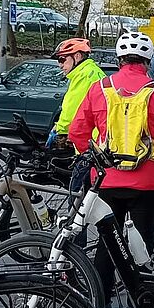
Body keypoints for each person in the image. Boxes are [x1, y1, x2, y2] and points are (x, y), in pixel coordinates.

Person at [69, 32, 154, 308]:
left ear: (119, 59)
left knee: (107, 245)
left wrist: (93, 157)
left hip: (105, 181)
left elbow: (77, 131)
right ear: (148, 61)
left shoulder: (100, 88)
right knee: (142, 244)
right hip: (147, 182)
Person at [47, 39, 106, 195]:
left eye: (62, 59)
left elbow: (72, 111)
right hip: (95, 144)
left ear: (78, 56)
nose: (60, 64)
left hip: (89, 146)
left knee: (77, 195)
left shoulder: (85, 76)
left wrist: (58, 130)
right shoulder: (89, 72)